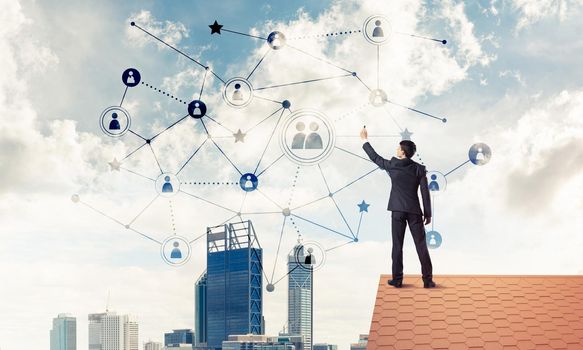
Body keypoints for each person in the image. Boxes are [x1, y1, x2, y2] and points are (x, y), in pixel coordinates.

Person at [360, 126, 435, 288]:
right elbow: (425, 193)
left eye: (398, 148)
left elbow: (375, 158)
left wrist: (365, 140)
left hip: (397, 211)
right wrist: (428, 213)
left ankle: (398, 279)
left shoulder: (393, 165)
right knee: (421, 245)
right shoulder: (419, 169)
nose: (396, 150)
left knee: (397, 245)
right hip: (415, 212)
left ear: (403, 152)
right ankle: (427, 281)